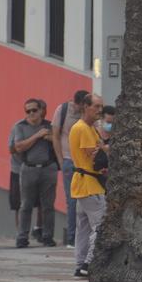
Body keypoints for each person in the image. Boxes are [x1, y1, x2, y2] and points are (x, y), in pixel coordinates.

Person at [69, 94, 107, 277]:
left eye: (101, 106)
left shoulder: (91, 128)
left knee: (83, 228)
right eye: (96, 106)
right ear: (86, 106)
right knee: (100, 226)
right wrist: (106, 149)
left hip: (85, 184)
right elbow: (95, 156)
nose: (100, 110)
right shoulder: (83, 128)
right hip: (90, 185)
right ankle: (88, 263)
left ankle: (80, 263)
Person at [12, 98, 58, 248]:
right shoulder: (20, 127)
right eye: (28, 111)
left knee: (48, 206)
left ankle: (48, 236)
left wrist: (49, 137)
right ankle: (22, 237)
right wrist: (37, 136)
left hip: (48, 168)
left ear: (40, 111)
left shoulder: (49, 125)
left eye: (34, 110)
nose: (31, 113)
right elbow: (18, 147)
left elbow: (59, 141)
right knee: (25, 205)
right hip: (28, 169)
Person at [52, 89, 89, 248]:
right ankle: (72, 238)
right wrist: (61, 160)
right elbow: (55, 136)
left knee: (88, 199)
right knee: (72, 200)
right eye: (81, 106)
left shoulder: (87, 114)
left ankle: (84, 237)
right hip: (68, 160)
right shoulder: (63, 110)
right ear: (78, 103)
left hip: (85, 163)